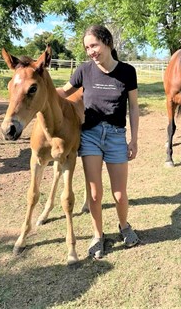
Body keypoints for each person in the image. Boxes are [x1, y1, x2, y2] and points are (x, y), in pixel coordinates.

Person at [58, 25, 140, 259]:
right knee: (94, 194)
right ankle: (97, 235)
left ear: (107, 43)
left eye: (94, 45)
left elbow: (133, 107)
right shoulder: (83, 70)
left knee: (120, 194)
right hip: (90, 136)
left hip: (115, 136)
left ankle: (124, 226)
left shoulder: (127, 72)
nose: (90, 51)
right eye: (87, 48)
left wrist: (134, 140)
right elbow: (62, 93)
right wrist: (35, 86)